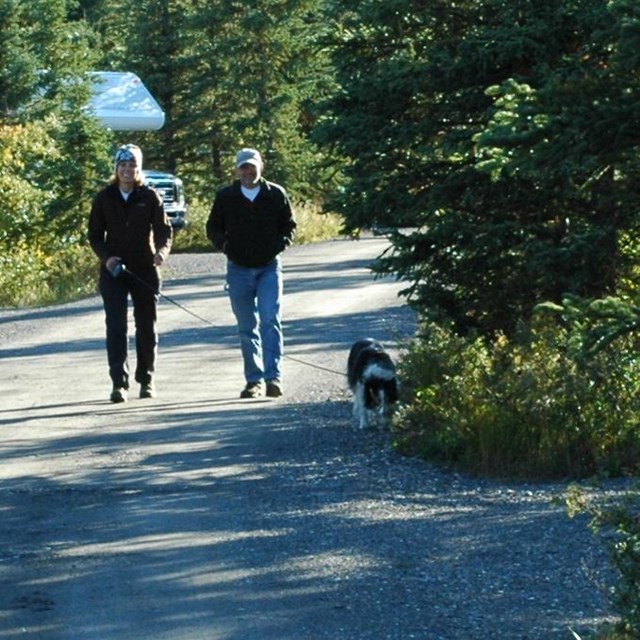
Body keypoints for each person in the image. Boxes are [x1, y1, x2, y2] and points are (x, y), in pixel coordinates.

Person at [206, 148, 296, 399]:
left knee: (270, 320)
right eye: (243, 167)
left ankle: (273, 377)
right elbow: (212, 227)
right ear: (237, 170)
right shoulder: (226, 196)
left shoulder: (275, 194)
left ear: (261, 166)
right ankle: (253, 380)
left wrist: (278, 245)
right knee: (247, 326)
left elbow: (289, 225)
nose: (248, 171)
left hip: (269, 267)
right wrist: (225, 246)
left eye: (252, 166)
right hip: (238, 269)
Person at [88, 144, 172, 403]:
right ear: (116, 168)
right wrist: (107, 258)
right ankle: (118, 383)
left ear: (138, 168)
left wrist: (161, 252)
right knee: (116, 326)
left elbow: (164, 231)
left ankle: (146, 379)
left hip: (145, 269)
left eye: (132, 165)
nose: (127, 169)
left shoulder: (149, 196)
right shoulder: (104, 197)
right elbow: (94, 235)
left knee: (146, 326)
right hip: (114, 270)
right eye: (123, 165)